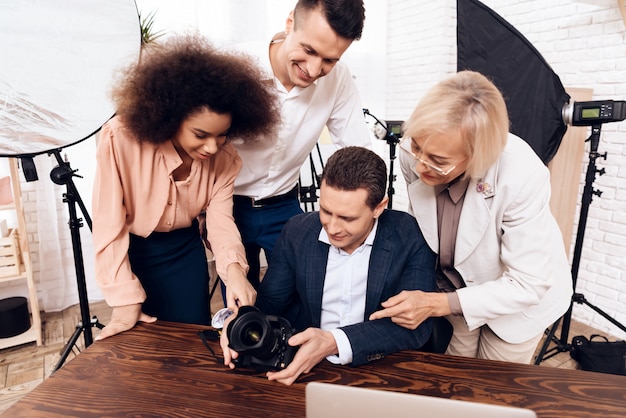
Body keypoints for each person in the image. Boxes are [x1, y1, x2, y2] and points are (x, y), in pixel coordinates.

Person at [369, 71, 573, 364]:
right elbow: (425, 226)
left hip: (518, 302)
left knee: (490, 388)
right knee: (454, 374)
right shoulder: (413, 155)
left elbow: (527, 282)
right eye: (416, 146)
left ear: (478, 157)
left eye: (438, 161)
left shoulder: (521, 175)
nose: (421, 165)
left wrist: (437, 303)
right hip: (455, 285)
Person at [92, 34, 280, 340]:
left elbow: (220, 222)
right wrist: (124, 298)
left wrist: (234, 273)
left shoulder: (226, 159)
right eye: (200, 134)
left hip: (184, 254)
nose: (211, 146)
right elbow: (107, 224)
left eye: (222, 135)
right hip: (132, 253)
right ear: (171, 115)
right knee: (142, 348)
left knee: (191, 342)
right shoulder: (121, 139)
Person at [220, 146, 436, 386]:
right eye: (325, 211)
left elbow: (416, 327)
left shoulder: (411, 236)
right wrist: (237, 321)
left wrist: (335, 341)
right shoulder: (297, 231)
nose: (332, 228)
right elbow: (270, 304)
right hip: (308, 369)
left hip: (383, 369)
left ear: (379, 207)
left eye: (347, 218)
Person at [229, 0, 372, 289]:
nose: (314, 68)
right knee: (239, 300)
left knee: (301, 291)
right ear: (290, 22)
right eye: (308, 50)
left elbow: (358, 150)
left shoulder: (339, 79)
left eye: (330, 60)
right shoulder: (233, 65)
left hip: (284, 204)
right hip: (227, 206)